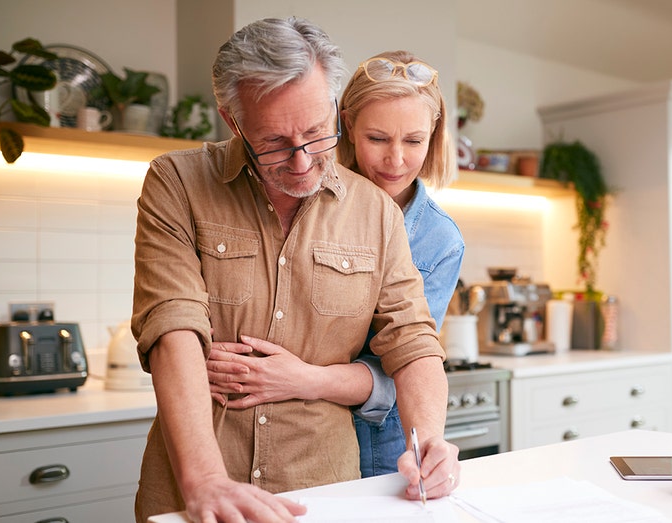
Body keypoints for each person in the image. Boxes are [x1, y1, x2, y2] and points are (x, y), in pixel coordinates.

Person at [131, 17, 459, 523]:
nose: (303, 162)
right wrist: (206, 480)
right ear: (232, 120)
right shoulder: (177, 182)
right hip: (193, 493)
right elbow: (172, 324)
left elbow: (412, 340)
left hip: (324, 495)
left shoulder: (376, 211)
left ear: (335, 112)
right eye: (275, 143)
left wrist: (431, 442)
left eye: (315, 134)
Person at [206, 50, 465, 478]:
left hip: (381, 438)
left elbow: (401, 362)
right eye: (377, 138)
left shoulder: (440, 239)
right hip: (279, 434)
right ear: (343, 124)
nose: (395, 159)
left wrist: (302, 377)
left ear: (434, 136)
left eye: (414, 141)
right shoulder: (297, 186)